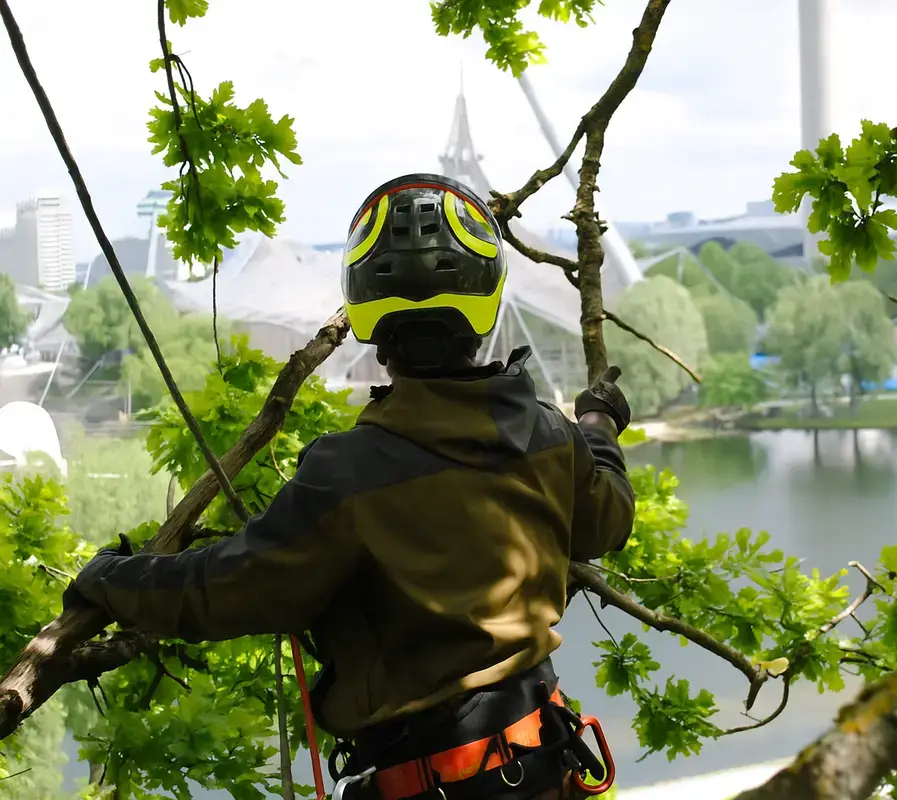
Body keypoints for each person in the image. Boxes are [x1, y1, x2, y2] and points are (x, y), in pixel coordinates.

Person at [65, 173, 636, 800]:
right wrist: (598, 424)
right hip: (544, 767)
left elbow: (227, 588)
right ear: (485, 298)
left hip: (430, 784)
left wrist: (111, 579)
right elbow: (605, 520)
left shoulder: (349, 474)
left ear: (368, 312)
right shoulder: (551, 437)